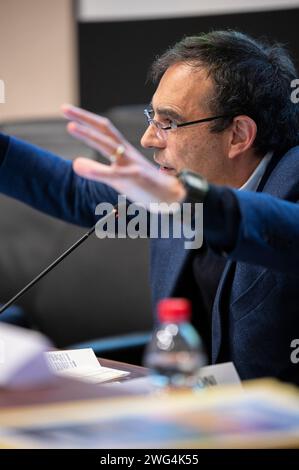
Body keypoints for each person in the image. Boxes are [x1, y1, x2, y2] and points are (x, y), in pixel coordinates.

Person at [1, 30, 299, 384]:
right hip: (189, 407)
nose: (148, 139)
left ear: (238, 135)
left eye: (169, 122)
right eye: (151, 117)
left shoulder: (290, 179)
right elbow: (73, 190)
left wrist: (183, 198)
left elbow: (286, 230)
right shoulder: (169, 184)